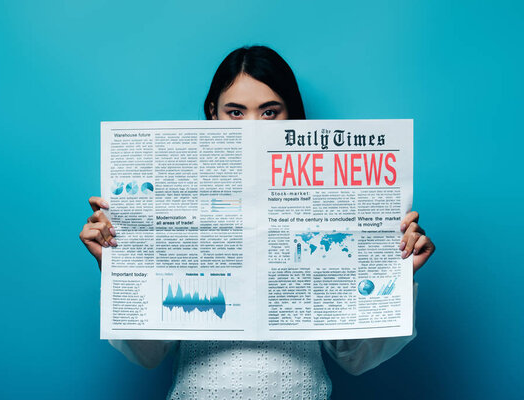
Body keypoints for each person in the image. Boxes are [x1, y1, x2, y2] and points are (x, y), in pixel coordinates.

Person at [79, 45, 436, 399]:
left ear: (291, 117)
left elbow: (354, 358)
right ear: (212, 113)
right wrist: (115, 264)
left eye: (269, 112)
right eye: (236, 112)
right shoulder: (172, 200)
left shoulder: (326, 205)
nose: (252, 127)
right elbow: (149, 355)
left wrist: (399, 274)